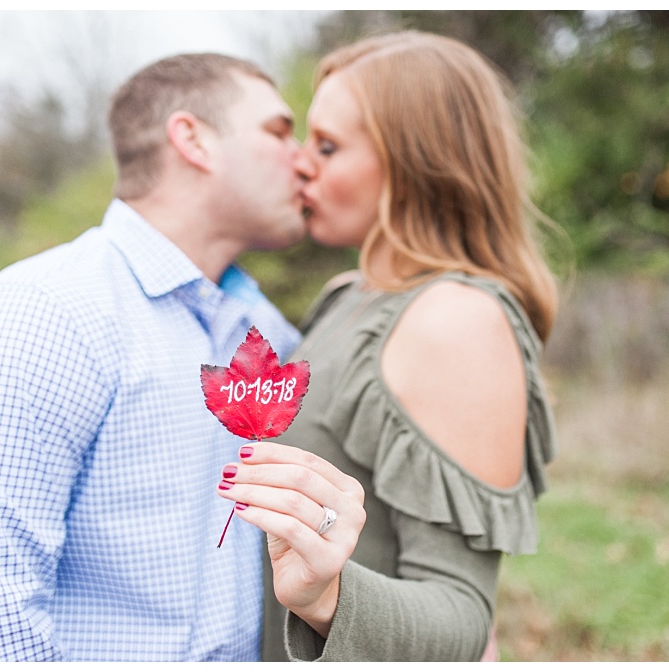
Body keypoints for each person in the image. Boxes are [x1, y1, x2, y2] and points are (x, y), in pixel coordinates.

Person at [0, 53, 310, 661]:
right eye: (279, 132)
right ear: (193, 140)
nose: (303, 159)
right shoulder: (40, 317)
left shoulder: (265, 332)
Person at [214, 31, 558, 661]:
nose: (301, 164)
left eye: (327, 146)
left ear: (414, 161)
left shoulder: (458, 319)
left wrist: (326, 596)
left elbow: (462, 618)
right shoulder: (350, 295)